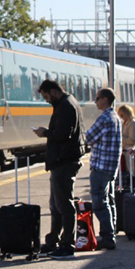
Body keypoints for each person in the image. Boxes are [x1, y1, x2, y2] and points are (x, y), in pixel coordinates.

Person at [33, 79, 86, 259]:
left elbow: (63, 134)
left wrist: (45, 133)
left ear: (54, 92)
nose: (47, 100)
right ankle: (53, 241)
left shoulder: (65, 106)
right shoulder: (68, 103)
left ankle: (67, 244)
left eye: (47, 96)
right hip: (61, 162)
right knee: (56, 205)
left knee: (64, 204)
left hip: (65, 162)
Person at [84, 89, 122, 250]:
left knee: (99, 202)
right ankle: (111, 233)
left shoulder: (104, 118)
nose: (95, 101)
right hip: (112, 166)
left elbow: (88, 138)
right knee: (109, 201)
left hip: (101, 166)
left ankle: (107, 237)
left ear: (105, 100)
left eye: (98, 98)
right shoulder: (116, 117)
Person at [116, 104, 135, 188]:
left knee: (132, 177)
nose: (121, 117)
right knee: (126, 177)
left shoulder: (133, 124)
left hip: (131, 154)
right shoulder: (124, 123)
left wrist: (121, 138)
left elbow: (131, 140)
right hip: (124, 154)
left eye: (122, 115)